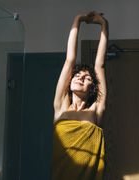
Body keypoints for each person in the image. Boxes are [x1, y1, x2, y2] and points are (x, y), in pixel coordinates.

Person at [52, 11, 108, 180]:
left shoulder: (96, 110)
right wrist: (78, 19)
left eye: (87, 77)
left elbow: (100, 65)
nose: (81, 77)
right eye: (77, 75)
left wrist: (104, 25)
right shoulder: (60, 106)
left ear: (93, 87)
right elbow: (70, 59)